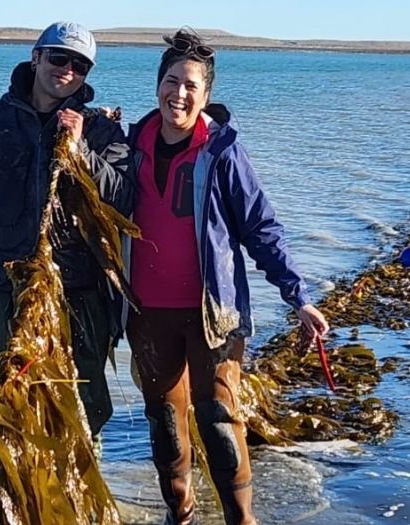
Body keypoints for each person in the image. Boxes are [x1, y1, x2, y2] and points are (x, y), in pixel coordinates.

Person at [124, 29, 329, 525]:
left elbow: (261, 227)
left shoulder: (223, 153)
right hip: (147, 315)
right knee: (166, 426)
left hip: (213, 314)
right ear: (157, 86)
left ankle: (242, 520)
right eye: (172, 81)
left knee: (217, 420)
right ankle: (182, 515)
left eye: (191, 85)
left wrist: (297, 295)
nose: (179, 93)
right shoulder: (130, 145)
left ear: (206, 95)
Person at [0, 21, 132, 442]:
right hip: (1, 289)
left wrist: (82, 153)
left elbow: (126, 196)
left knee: (84, 408)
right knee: (0, 401)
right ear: (35, 57)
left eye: (80, 65)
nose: (67, 70)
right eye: (59, 57)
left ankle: (75, 495)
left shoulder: (100, 129)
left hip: (79, 292)